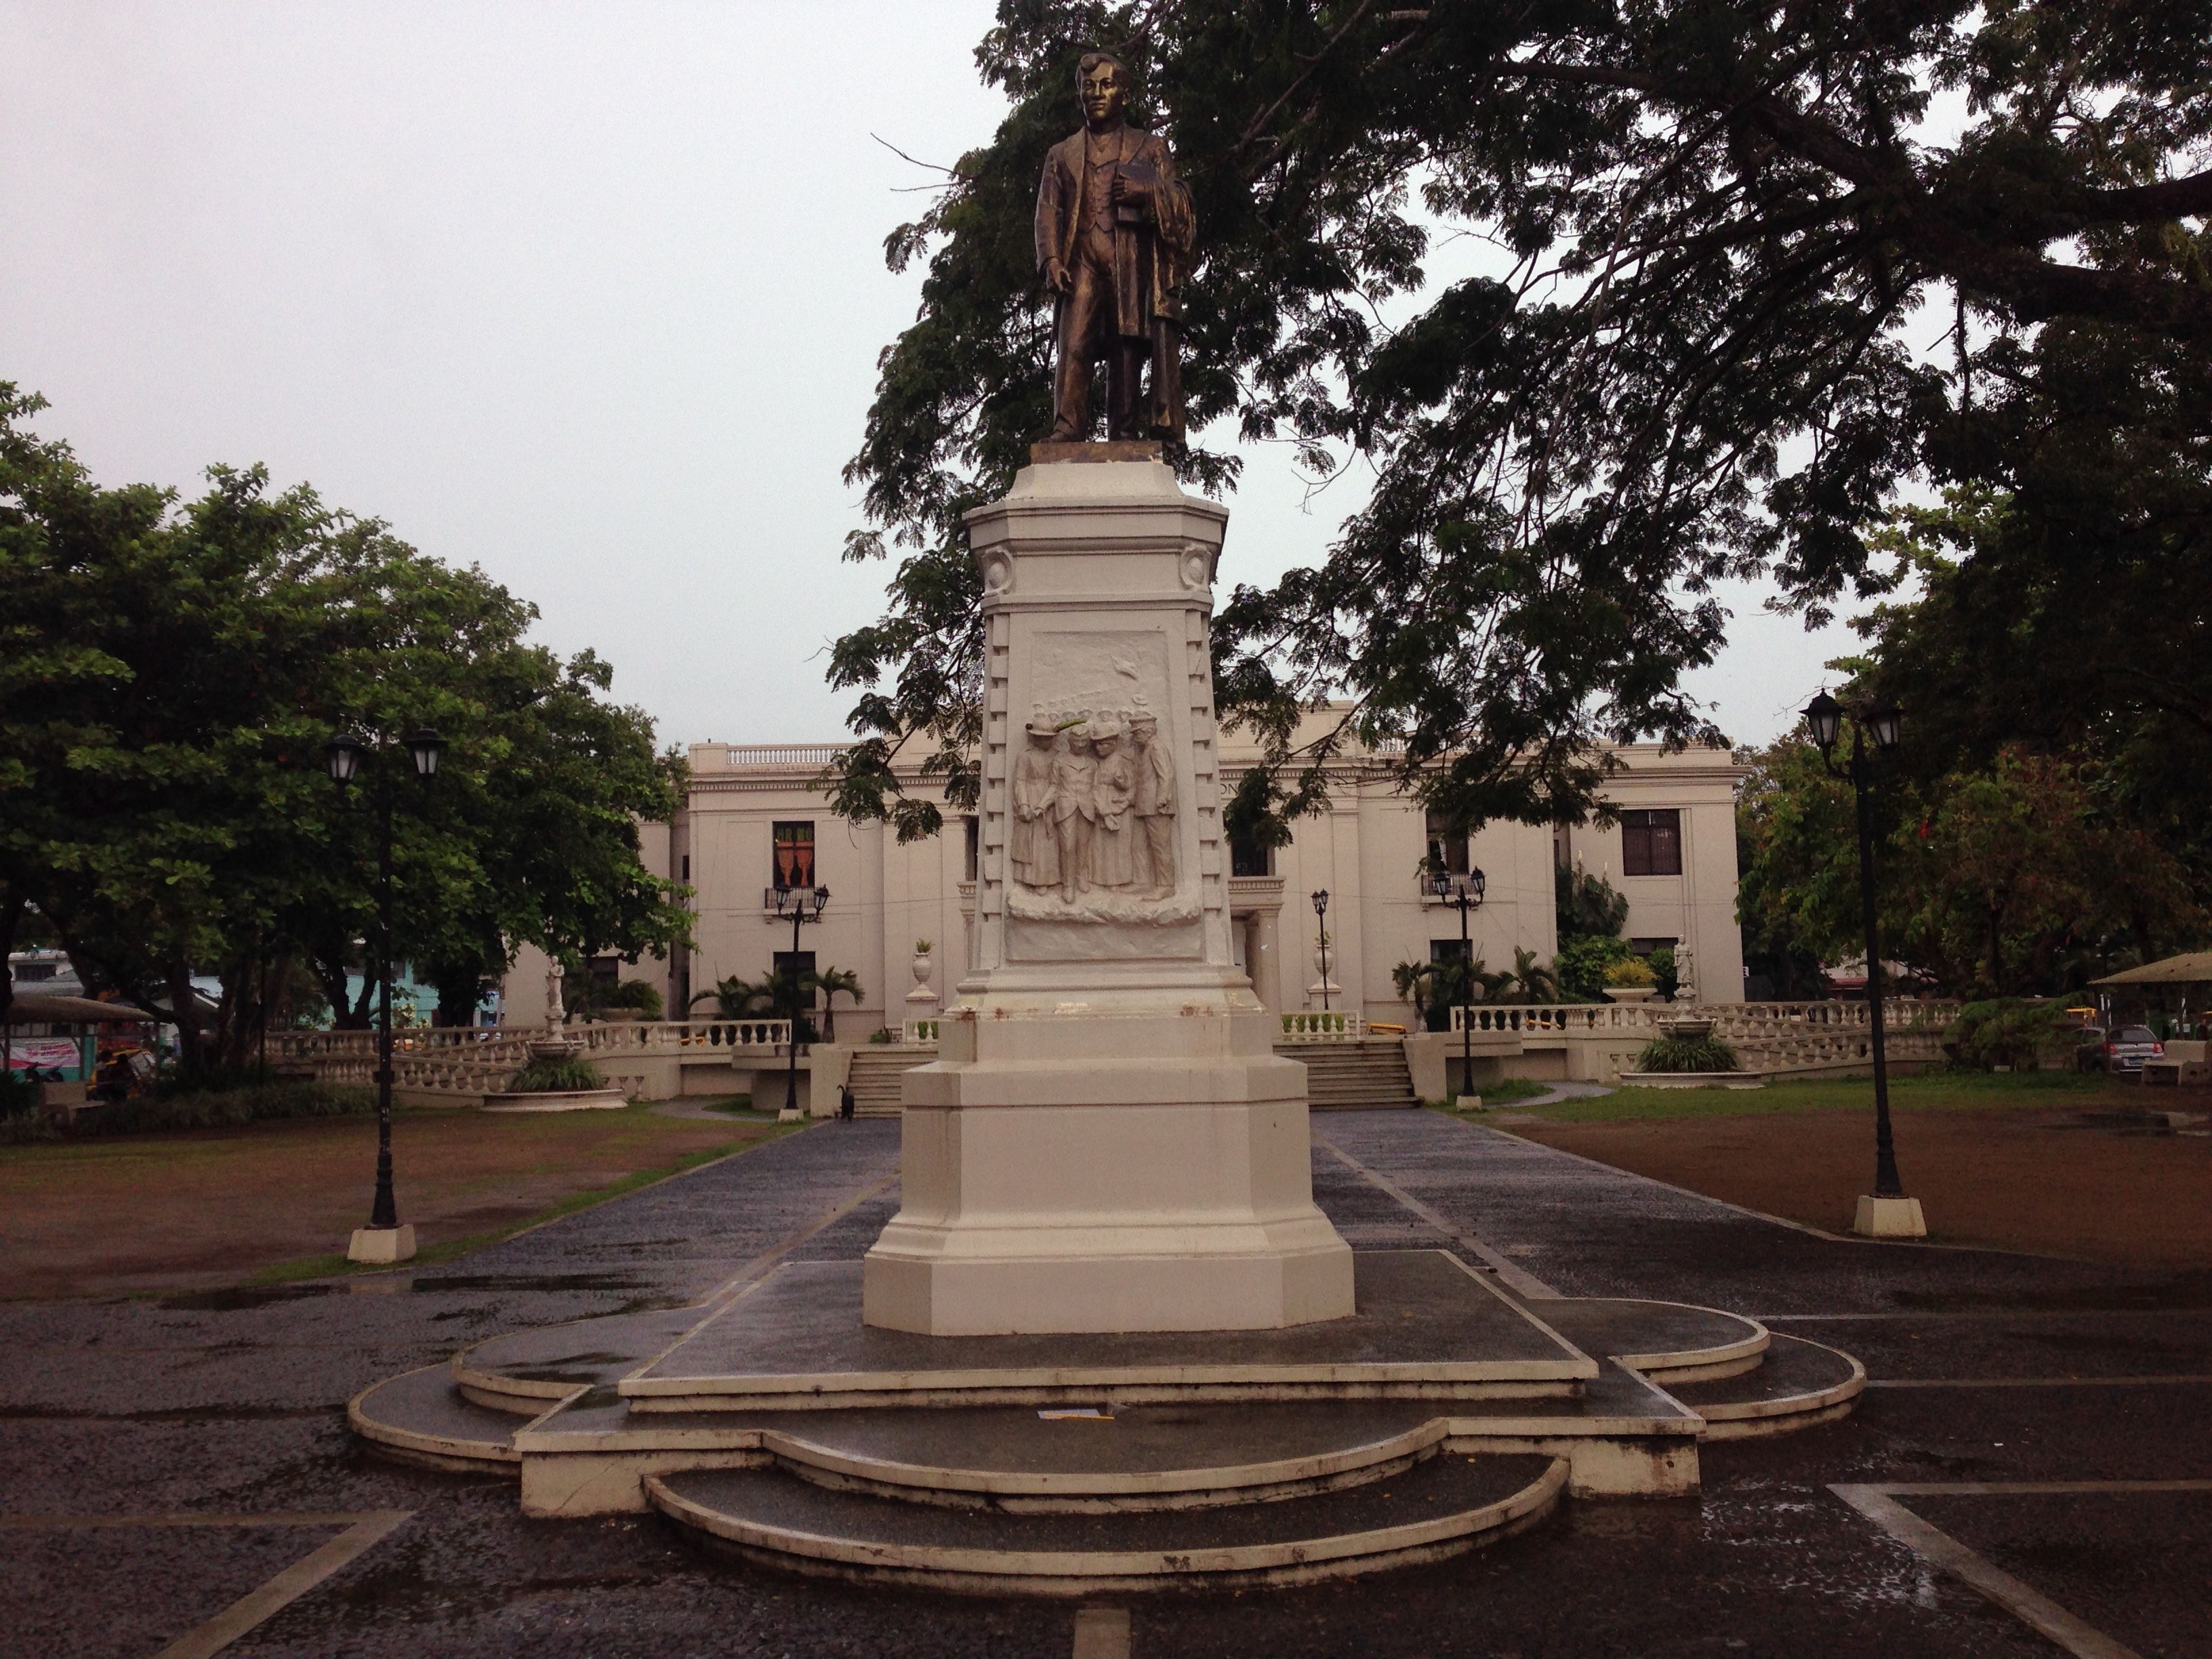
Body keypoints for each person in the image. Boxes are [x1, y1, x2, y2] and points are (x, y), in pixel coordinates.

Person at [1033, 51, 1194, 443]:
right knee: (1073, 345)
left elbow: (1180, 203)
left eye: (1106, 85)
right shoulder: (1062, 153)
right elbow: (1047, 210)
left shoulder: (1150, 147)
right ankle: (1068, 426)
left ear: (1124, 93)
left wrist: (1145, 190)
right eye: (1088, 87)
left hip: (1129, 261)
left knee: (1128, 347)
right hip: (1081, 260)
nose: (1096, 93)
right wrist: (1052, 259)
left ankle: (1125, 432)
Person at [1010, 716, 1063, 891]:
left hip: (1050, 799)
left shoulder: (1058, 756)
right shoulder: (1026, 757)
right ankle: (1033, 880)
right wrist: (1024, 804)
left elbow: (1057, 784)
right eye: (1043, 738)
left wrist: (1045, 803)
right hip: (1030, 796)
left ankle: (1050, 879)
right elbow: (1020, 781)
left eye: (1050, 738)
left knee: (1049, 841)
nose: (1047, 741)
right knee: (1032, 843)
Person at [1128, 708, 1175, 897]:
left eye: (1136, 733)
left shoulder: (1157, 747)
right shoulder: (1145, 749)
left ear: (1147, 732)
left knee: (1160, 846)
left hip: (1157, 806)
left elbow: (1166, 774)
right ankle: (1142, 881)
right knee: (1139, 845)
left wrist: (1163, 797)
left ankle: (1166, 885)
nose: (1134, 738)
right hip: (1144, 805)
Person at [1049, 727, 1099, 903]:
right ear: (1070, 742)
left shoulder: (1092, 764)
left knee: (1083, 845)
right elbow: (1054, 786)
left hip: (1086, 807)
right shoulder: (1060, 760)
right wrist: (1041, 806)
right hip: (1066, 807)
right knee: (1068, 846)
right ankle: (1068, 885)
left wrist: (1106, 812)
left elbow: (1095, 789)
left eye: (1084, 742)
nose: (1080, 745)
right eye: (1076, 742)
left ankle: (1081, 877)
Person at [1088, 721, 1136, 890]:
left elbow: (1133, 787)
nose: (1098, 748)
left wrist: (1125, 799)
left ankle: (1119, 880)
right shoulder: (1093, 763)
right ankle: (1100, 880)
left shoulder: (1123, 762)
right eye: (1096, 744)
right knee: (1100, 846)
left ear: (1114, 744)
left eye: (1103, 744)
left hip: (1119, 808)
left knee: (1118, 846)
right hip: (1099, 805)